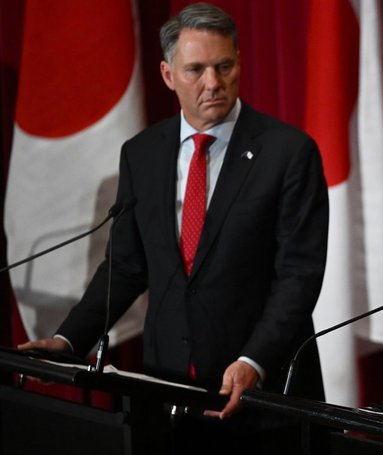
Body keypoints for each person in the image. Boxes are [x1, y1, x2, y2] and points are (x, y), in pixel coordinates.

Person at [19, 2, 328, 450]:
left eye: (224, 66)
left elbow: (298, 277)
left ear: (240, 61)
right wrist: (69, 341)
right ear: (167, 74)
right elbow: (125, 267)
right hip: (165, 398)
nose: (213, 83)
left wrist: (253, 361)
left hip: (262, 401)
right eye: (196, 69)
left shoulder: (288, 153)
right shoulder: (142, 153)